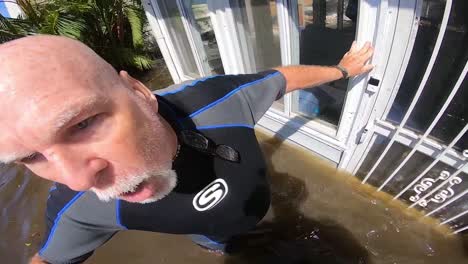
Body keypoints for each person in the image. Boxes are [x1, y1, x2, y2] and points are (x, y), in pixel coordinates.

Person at [0, 35, 373, 264]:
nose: (78, 180)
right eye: (31, 157)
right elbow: (49, 259)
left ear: (139, 93)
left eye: (82, 124)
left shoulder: (213, 102)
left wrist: (341, 70)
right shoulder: (77, 208)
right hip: (217, 240)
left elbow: (280, 79)